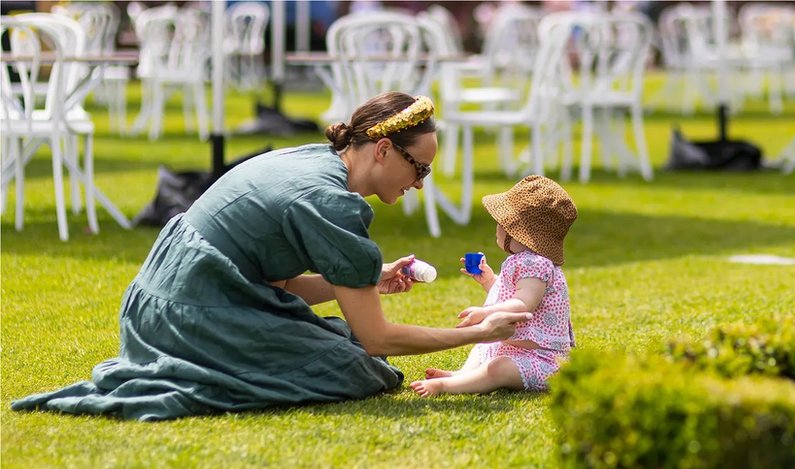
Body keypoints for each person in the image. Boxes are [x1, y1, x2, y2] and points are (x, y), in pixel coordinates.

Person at [11, 92, 531, 421]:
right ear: (383, 151)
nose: (420, 184)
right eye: (420, 169)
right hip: (193, 315)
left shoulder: (309, 161)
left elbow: (273, 283)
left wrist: (363, 281)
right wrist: (479, 334)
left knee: (342, 339)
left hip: (156, 303)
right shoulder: (333, 203)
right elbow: (378, 339)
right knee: (362, 367)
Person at [410, 175, 577, 397]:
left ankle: (446, 386)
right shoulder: (527, 262)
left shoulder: (536, 264)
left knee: (498, 368)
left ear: (517, 232)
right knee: (484, 347)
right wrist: (490, 281)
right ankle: (462, 375)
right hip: (513, 349)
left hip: (542, 359)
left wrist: (486, 312)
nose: (497, 227)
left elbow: (523, 304)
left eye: (502, 222)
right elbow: (514, 294)